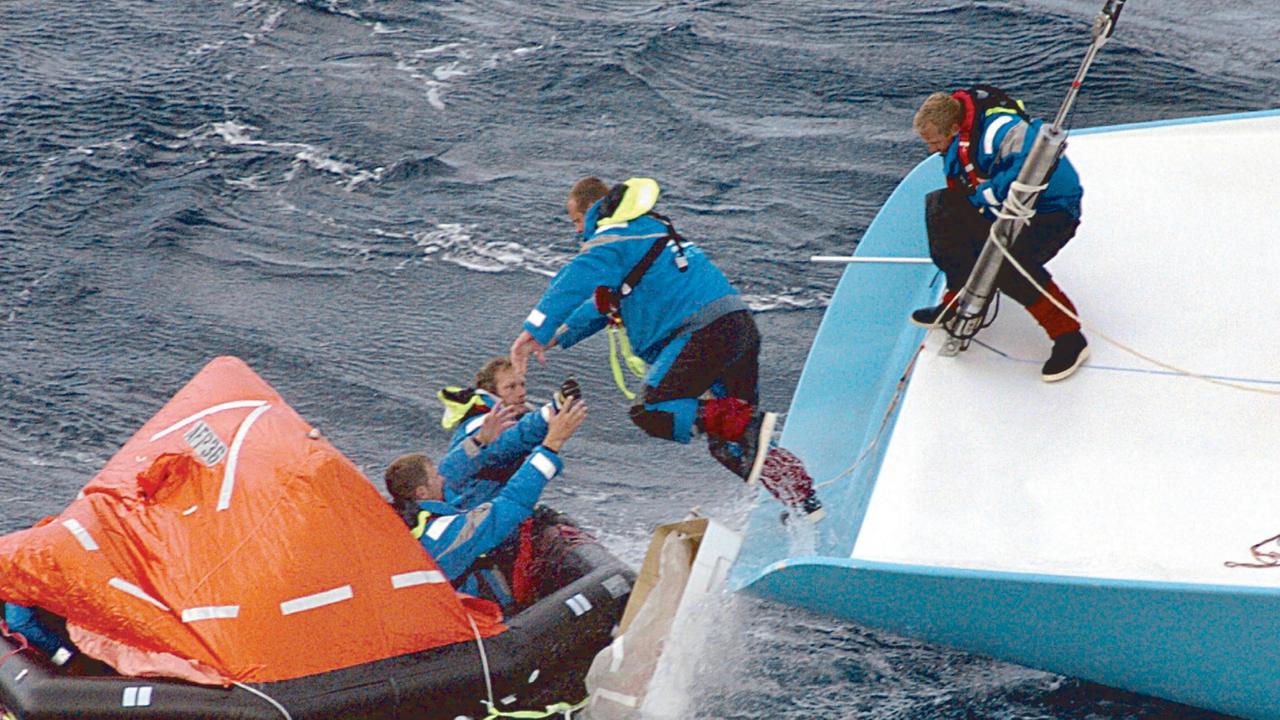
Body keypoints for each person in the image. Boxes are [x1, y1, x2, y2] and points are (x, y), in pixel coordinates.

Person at [508, 176, 824, 522]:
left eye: (575, 222)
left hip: (702, 332)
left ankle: (755, 431)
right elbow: (603, 305)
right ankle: (804, 501)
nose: (577, 232)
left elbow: (576, 276)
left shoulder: (615, 233)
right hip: (736, 327)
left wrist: (534, 328)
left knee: (654, 410)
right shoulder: (646, 231)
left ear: (590, 211)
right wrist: (557, 335)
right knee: (729, 441)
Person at [909, 88, 1089, 382]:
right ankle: (955, 305)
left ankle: (1069, 338)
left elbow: (1032, 158)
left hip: (1052, 213)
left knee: (1007, 265)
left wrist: (986, 193)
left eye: (935, 142)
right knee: (942, 209)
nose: (931, 150)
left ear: (954, 128)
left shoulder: (998, 130)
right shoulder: (958, 142)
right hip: (1001, 209)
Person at [385, 397, 588, 610]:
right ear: (422, 492)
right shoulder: (443, 536)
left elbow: (455, 466)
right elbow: (509, 505)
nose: (442, 478)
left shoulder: (410, 520)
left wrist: (480, 440)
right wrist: (551, 446)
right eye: (435, 476)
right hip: (487, 625)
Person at [436, 357, 581, 510]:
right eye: (511, 387)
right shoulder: (484, 423)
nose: (522, 393)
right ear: (492, 393)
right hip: (471, 509)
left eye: (522, 385)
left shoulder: (515, 417)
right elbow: (513, 438)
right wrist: (551, 410)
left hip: (499, 504)